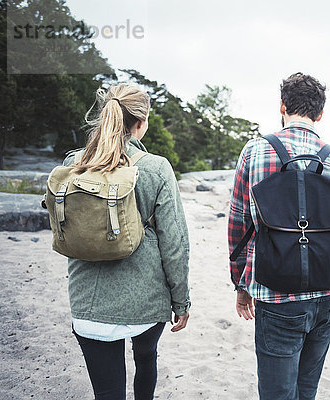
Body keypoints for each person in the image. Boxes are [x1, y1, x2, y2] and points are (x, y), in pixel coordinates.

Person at [228, 73, 330, 400]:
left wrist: (241, 284)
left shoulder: (255, 152)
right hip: (328, 295)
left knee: (277, 393)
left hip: (277, 295)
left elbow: (238, 227)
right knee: (307, 389)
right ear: (320, 114)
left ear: (282, 106)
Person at [63, 83, 191, 400]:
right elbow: (175, 244)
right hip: (145, 305)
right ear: (141, 123)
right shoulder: (156, 168)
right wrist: (181, 301)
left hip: (88, 302)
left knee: (107, 391)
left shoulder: (73, 165)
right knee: (146, 359)